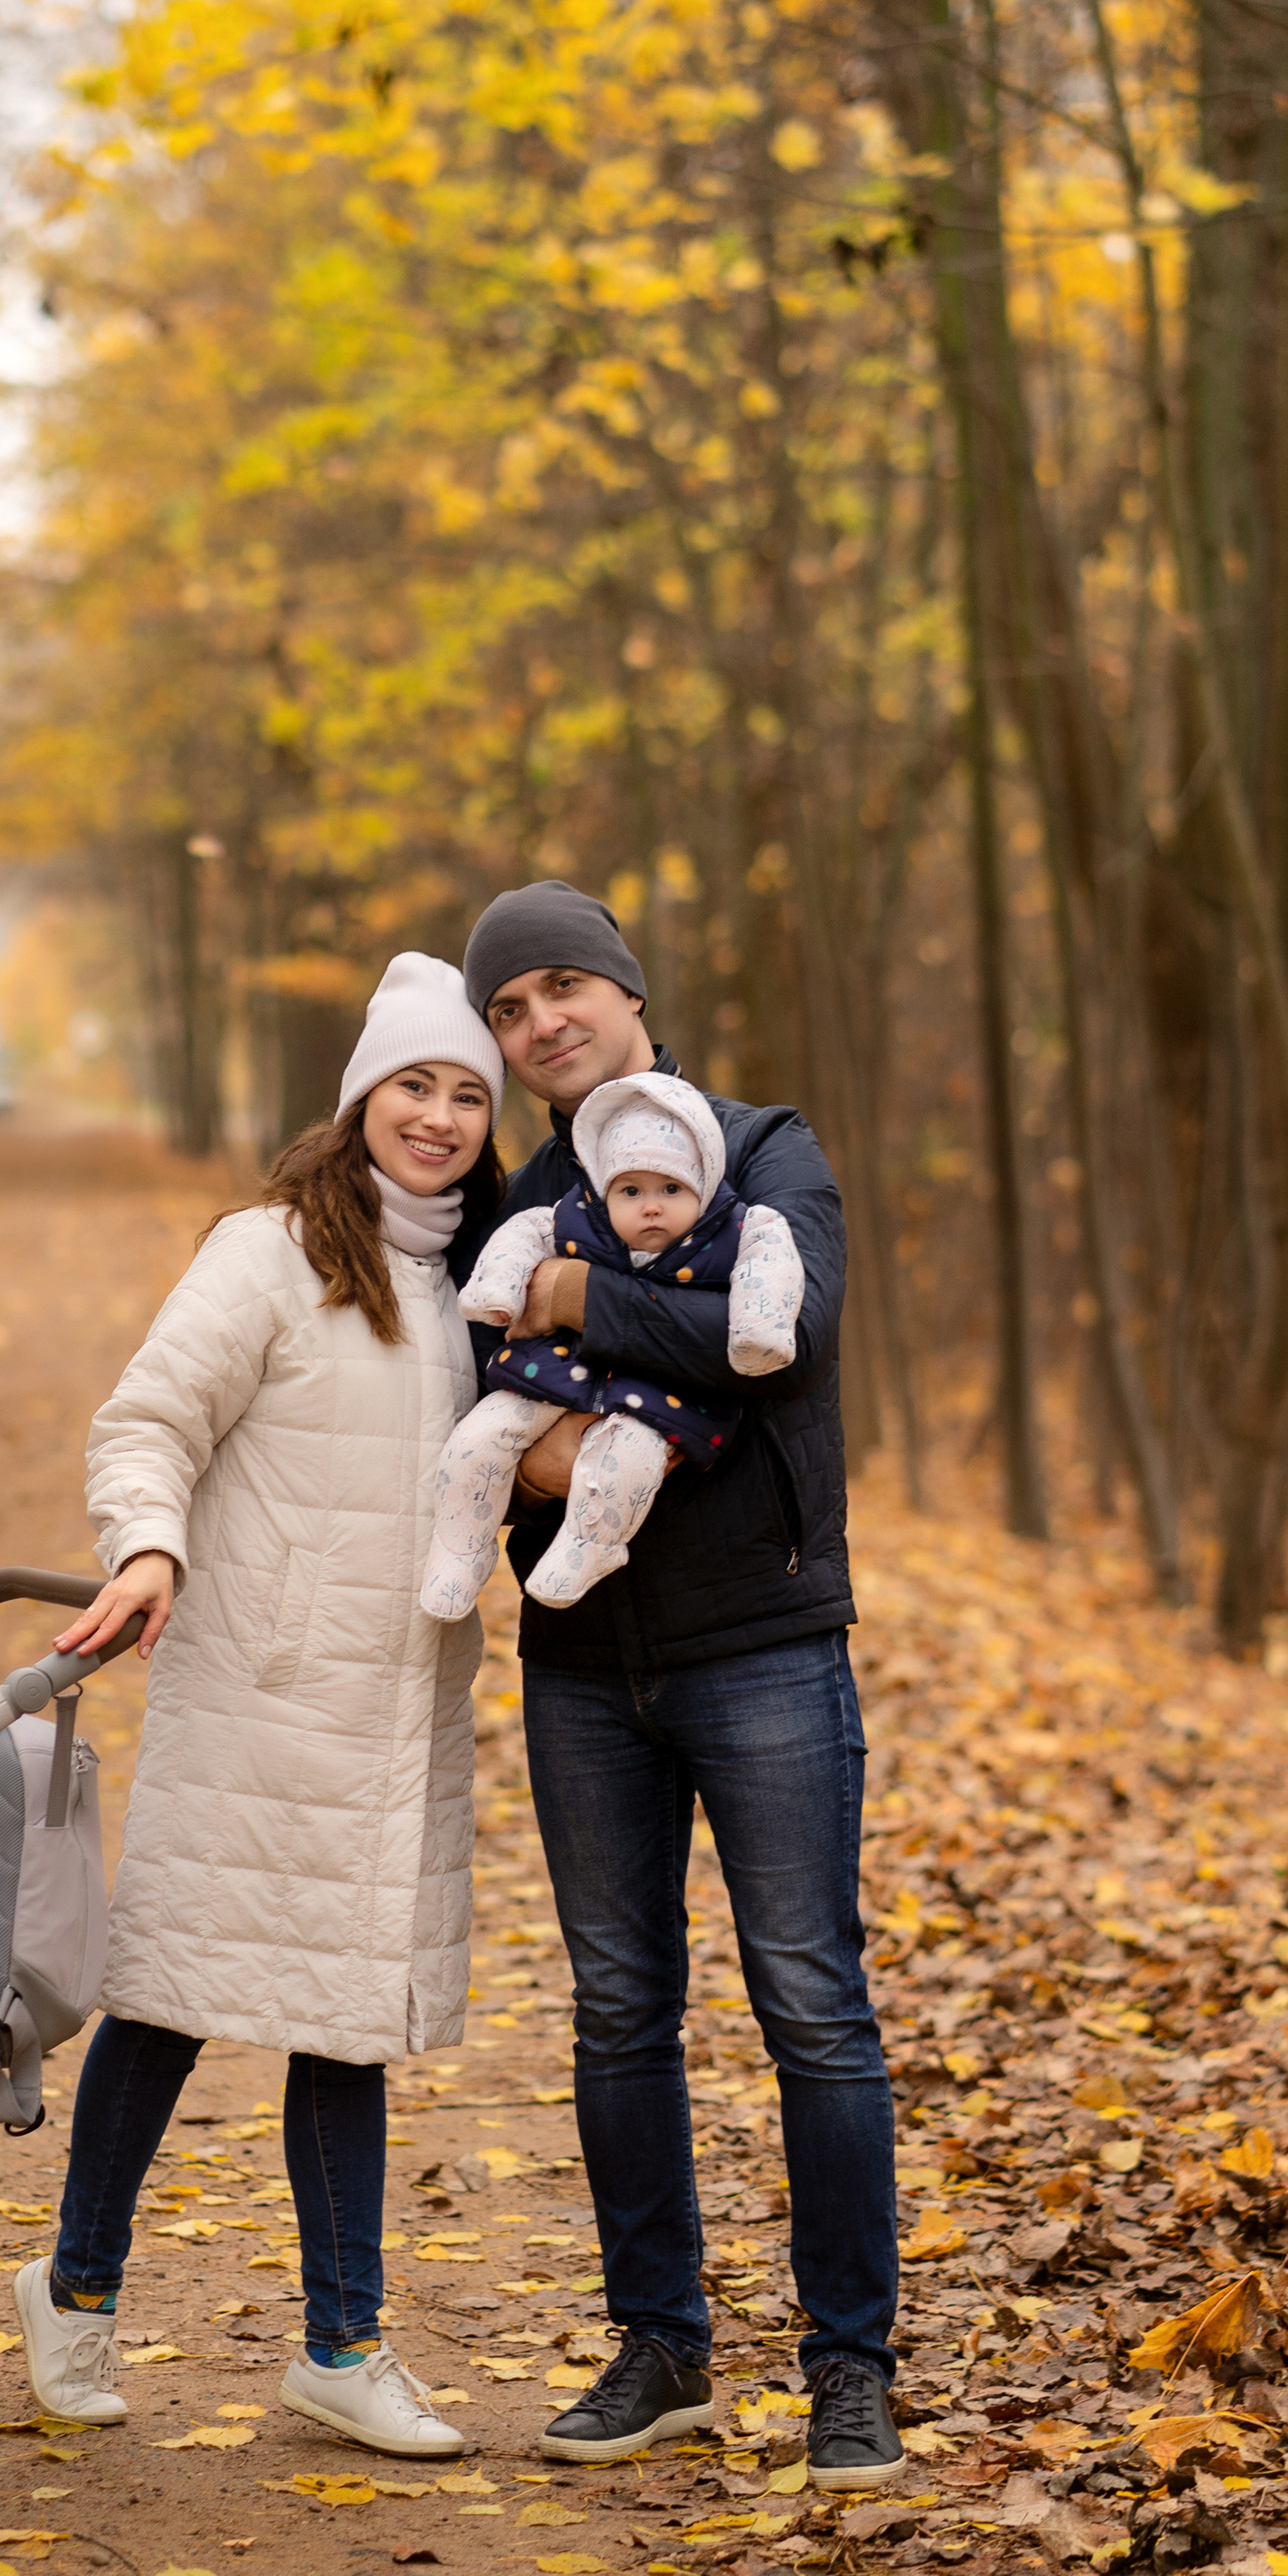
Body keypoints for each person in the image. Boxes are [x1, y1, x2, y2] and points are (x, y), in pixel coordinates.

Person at [15, 954, 505, 2457]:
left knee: (343, 2023)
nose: (438, 1116)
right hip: (263, 1690)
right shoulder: (271, 1250)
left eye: (469, 1094)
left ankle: (342, 2349)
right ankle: (75, 2293)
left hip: (399, 1706)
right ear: (361, 1097)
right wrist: (149, 1541)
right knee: (169, 2001)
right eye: (414, 1085)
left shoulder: (485, 1274)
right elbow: (150, 1419)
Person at [458, 878, 902, 2485]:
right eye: (506, 1012)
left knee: (808, 2002)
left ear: (630, 996)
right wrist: (546, 1434)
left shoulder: (757, 1147)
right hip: (579, 1667)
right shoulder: (512, 1184)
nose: (537, 1026)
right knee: (618, 2011)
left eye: (561, 988)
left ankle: (850, 2370)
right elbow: (471, 1389)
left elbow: (784, 1335)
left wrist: (575, 1304)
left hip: (765, 1647)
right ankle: (660, 2350)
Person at [423, 1072, 804, 1615]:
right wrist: (496, 1289)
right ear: (606, 1190)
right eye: (631, 1190)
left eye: (671, 1189)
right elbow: (523, 1234)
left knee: (628, 1459)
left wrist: (759, 1332)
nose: (651, 1207)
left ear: (703, 1180)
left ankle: (590, 1544)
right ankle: (460, 1546)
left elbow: (773, 1260)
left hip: (660, 1394)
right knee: (477, 1438)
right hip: (555, 1372)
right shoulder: (576, 1218)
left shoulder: (737, 1229)